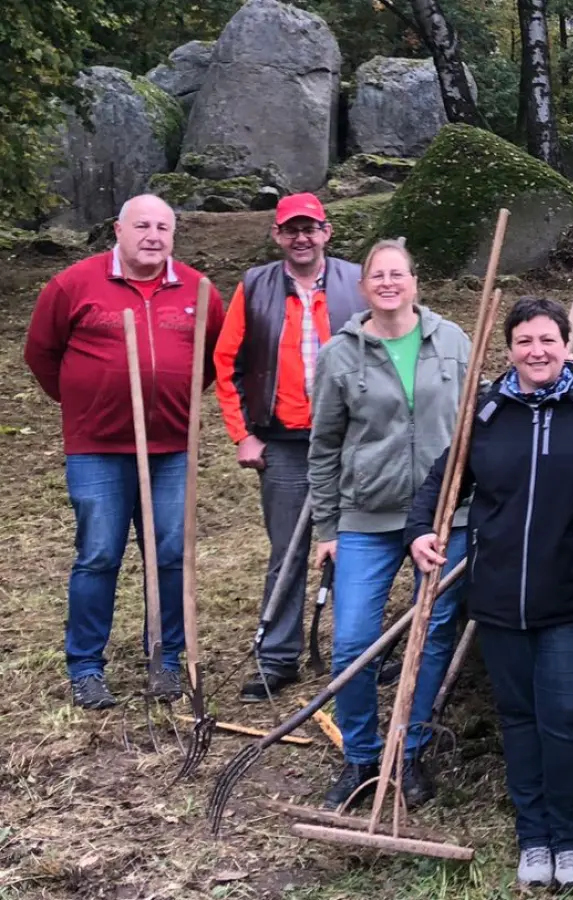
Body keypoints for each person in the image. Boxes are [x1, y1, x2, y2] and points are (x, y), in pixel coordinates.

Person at [406, 297, 573, 888]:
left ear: (568, 345)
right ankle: (535, 836)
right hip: (499, 598)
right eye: (524, 341)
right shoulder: (489, 412)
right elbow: (443, 481)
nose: (537, 351)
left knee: (569, 718)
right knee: (519, 719)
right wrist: (420, 531)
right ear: (508, 350)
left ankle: (571, 836)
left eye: (548, 340)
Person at [24, 194, 224, 710]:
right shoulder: (74, 284)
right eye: (142, 225)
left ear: (173, 235)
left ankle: (167, 658)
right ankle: (87, 667)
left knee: (172, 554)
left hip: (172, 447)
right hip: (99, 447)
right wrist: (84, 401)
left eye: (163, 226)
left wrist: (177, 399)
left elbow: (215, 358)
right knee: (98, 555)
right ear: (118, 229)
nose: (153, 235)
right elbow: (41, 353)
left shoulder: (198, 290)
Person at [307, 239, 472, 811]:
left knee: (430, 636)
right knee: (354, 639)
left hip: (445, 513)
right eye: (376, 275)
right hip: (367, 517)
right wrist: (327, 527)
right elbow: (324, 445)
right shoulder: (340, 355)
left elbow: (475, 425)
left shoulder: (451, 340)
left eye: (396, 273)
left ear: (414, 280)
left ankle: (410, 753)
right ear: (363, 286)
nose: (387, 283)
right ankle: (360, 755)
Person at [214, 193, 366, 701]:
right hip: (282, 442)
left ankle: (355, 652)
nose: (301, 237)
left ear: (327, 231)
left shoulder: (359, 281)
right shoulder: (254, 286)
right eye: (290, 229)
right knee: (288, 550)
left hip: (350, 439)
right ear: (277, 236)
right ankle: (277, 657)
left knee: (356, 546)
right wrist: (244, 434)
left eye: (310, 228)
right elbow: (227, 362)